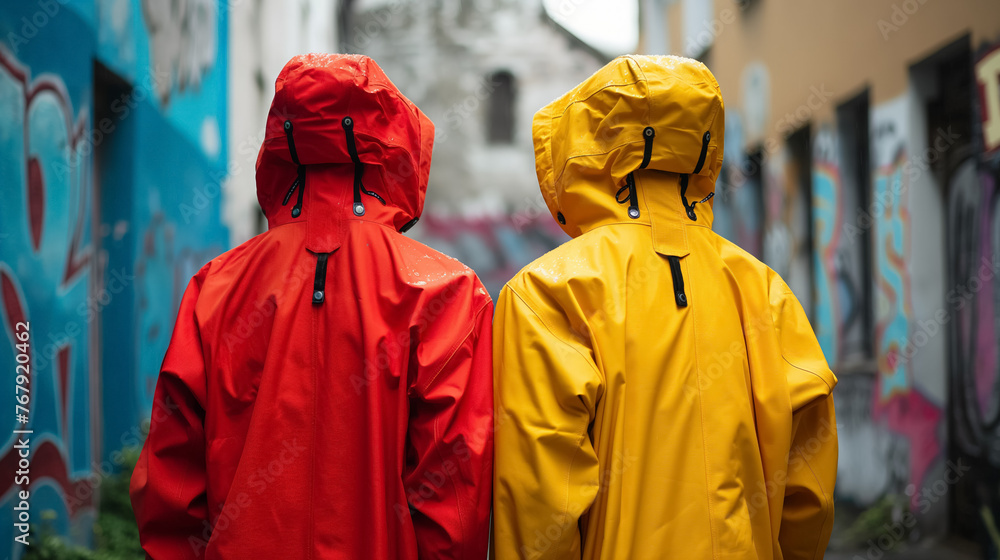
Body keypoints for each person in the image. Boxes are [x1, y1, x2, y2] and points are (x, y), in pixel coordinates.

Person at [130, 54, 494, 559]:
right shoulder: (447, 291)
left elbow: (171, 478)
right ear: (396, 146)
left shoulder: (217, 287)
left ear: (281, 143)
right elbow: (455, 490)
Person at [492, 55, 838, 559]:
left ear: (582, 148)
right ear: (702, 145)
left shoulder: (547, 290)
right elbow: (809, 485)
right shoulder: (763, 288)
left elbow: (540, 497)